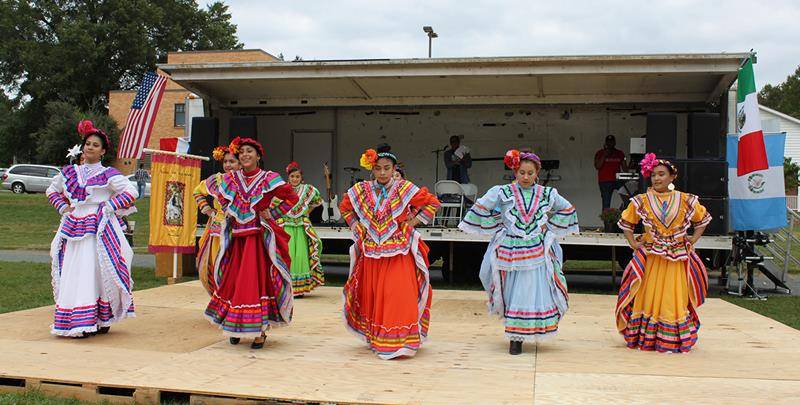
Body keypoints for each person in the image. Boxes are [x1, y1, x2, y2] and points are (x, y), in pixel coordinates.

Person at [459, 149, 578, 355]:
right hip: (511, 249)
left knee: (532, 290)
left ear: (537, 173)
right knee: (514, 292)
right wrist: (498, 226)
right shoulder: (502, 192)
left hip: (536, 249)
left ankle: (521, 335)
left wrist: (548, 227)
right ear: (515, 171)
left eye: (530, 173)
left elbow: (567, 208)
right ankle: (516, 336)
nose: (525, 177)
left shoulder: (547, 193)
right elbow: (480, 207)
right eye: (522, 172)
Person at [340, 144, 441, 359]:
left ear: (394, 169)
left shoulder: (404, 188)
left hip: (398, 250)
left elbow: (432, 203)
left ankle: (401, 341)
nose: (383, 172)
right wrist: (356, 226)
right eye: (378, 168)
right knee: (376, 295)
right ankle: (379, 338)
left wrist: (412, 222)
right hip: (372, 252)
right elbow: (345, 207)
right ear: (372, 169)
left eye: (387, 168)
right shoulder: (362, 189)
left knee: (398, 294)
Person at [203, 137, 299, 349]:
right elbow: (221, 197)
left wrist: (271, 213)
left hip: (258, 240)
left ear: (258, 156)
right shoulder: (231, 179)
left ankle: (260, 330)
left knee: (257, 282)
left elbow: (291, 198)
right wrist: (227, 211)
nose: (245, 155)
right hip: (237, 239)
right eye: (242, 152)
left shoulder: (268, 178)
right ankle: (235, 324)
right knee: (234, 281)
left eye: (250, 151)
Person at [45, 120, 138, 337]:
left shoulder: (108, 174)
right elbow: (52, 190)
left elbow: (130, 192)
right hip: (74, 224)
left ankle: (101, 317)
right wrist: (63, 207)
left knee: (96, 269)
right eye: (88, 144)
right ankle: (78, 319)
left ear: (103, 151)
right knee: (74, 268)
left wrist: (108, 206)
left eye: (95, 145)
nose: (90, 148)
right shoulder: (70, 171)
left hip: (99, 226)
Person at [615, 153, 711, 353]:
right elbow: (627, 223)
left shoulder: (685, 200)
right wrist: (633, 242)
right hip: (651, 255)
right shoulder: (642, 200)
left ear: (672, 177)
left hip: (677, 258)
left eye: (661, 174)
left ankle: (670, 338)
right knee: (648, 293)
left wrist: (693, 239)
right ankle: (647, 336)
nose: (657, 178)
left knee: (672, 296)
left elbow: (702, 219)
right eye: (653, 175)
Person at [193, 145, 240, 296]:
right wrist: (207, 209)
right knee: (216, 262)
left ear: (240, 163)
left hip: (239, 228)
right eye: (225, 161)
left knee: (237, 264)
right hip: (218, 230)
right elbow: (198, 191)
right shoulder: (216, 180)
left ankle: (236, 298)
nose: (228, 165)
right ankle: (220, 295)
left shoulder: (246, 181)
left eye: (232, 161)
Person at [276, 161, 324, 296]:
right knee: (288, 253)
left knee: (300, 255)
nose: (295, 179)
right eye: (292, 176)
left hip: (301, 226)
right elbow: (273, 203)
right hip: (286, 225)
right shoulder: (282, 189)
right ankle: (287, 285)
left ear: (301, 178)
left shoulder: (308, 190)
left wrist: (307, 211)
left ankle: (300, 289)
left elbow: (317, 202)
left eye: (297, 176)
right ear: (288, 177)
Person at [594, 135, 627, 210]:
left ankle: (624, 215)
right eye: (608, 142)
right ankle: (606, 221)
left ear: (615, 143)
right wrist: (604, 155)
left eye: (612, 142)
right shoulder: (599, 153)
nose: (610, 144)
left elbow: (625, 169)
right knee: (606, 203)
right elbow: (597, 166)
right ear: (605, 143)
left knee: (627, 199)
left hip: (618, 180)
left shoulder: (620, 153)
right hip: (605, 181)